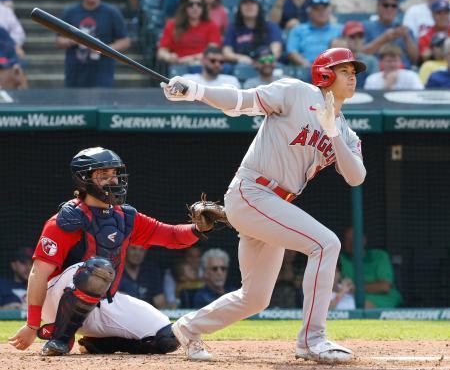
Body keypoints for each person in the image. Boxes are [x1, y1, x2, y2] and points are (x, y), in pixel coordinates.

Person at [161, 46, 367, 363]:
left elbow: (356, 177)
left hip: (272, 205)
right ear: (325, 75)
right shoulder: (295, 92)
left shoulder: (346, 131)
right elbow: (241, 102)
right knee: (326, 244)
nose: (352, 78)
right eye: (344, 71)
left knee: (255, 298)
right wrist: (197, 90)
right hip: (252, 191)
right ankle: (313, 340)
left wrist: (332, 132)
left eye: (354, 73)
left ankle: (188, 328)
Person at [8, 147, 213, 356]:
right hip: (56, 300)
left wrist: (200, 228)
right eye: (103, 175)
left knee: (167, 338)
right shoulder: (66, 219)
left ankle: (100, 344)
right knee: (99, 268)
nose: (113, 181)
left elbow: (171, 236)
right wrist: (33, 324)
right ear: (84, 179)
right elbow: (38, 272)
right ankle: (60, 338)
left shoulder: (125, 217)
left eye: (115, 174)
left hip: (102, 302)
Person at [55, 0, 131, 88]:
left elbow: (125, 41)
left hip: (103, 73)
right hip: (75, 72)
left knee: (102, 103)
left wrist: (104, 48)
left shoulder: (112, 13)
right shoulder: (70, 12)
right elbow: (58, 41)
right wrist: (75, 40)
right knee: (74, 103)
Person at [339, 227, 402, 309]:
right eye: (348, 240)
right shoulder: (341, 259)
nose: (352, 243)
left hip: (382, 297)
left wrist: (356, 288)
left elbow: (384, 287)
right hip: (350, 298)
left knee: (362, 305)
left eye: (355, 238)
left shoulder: (379, 256)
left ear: (364, 240)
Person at [157, 0, 221, 68]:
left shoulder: (212, 26)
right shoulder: (172, 25)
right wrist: (169, 57)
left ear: (203, 7)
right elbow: (161, 52)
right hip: (180, 67)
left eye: (199, 4)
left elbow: (213, 52)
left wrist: (190, 59)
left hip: (203, 67)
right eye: (191, 4)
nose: (195, 7)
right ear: (184, 7)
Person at [363, 0, 419, 69]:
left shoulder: (405, 29)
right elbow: (362, 55)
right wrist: (384, 38)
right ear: (378, 6)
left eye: (394, 6)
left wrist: (406, 37)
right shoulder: (366, 26)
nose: (389, 9)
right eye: (386, 5)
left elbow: (415, 60)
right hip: (377, 73)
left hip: (403, 72)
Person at [223, 0, 283, 65]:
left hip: (266, 64)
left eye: (252, 3)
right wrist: (240, 58)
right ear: (240, 9)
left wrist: (263, 61)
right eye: (245, 4)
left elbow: (276, 50)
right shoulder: (232, 28)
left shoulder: (271, 26)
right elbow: (226, 52)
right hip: (242, 65)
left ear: (259, 7)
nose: (249, 6)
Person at [287, 0, 342, 67]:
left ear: (329, 11)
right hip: (307, 69)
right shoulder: (298, 30)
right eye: (317, 9)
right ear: (309, 12)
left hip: (335, 68)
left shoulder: (339, 29)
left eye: (324, 9)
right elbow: (292, 52)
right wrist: (309, 67)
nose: (321, 12)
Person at [341, 21, 379, 89]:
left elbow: (375, 86)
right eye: (352, 37)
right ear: (344, 39)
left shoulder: (371, 61)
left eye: (360, 37)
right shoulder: (336, 61)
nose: (357, 40)